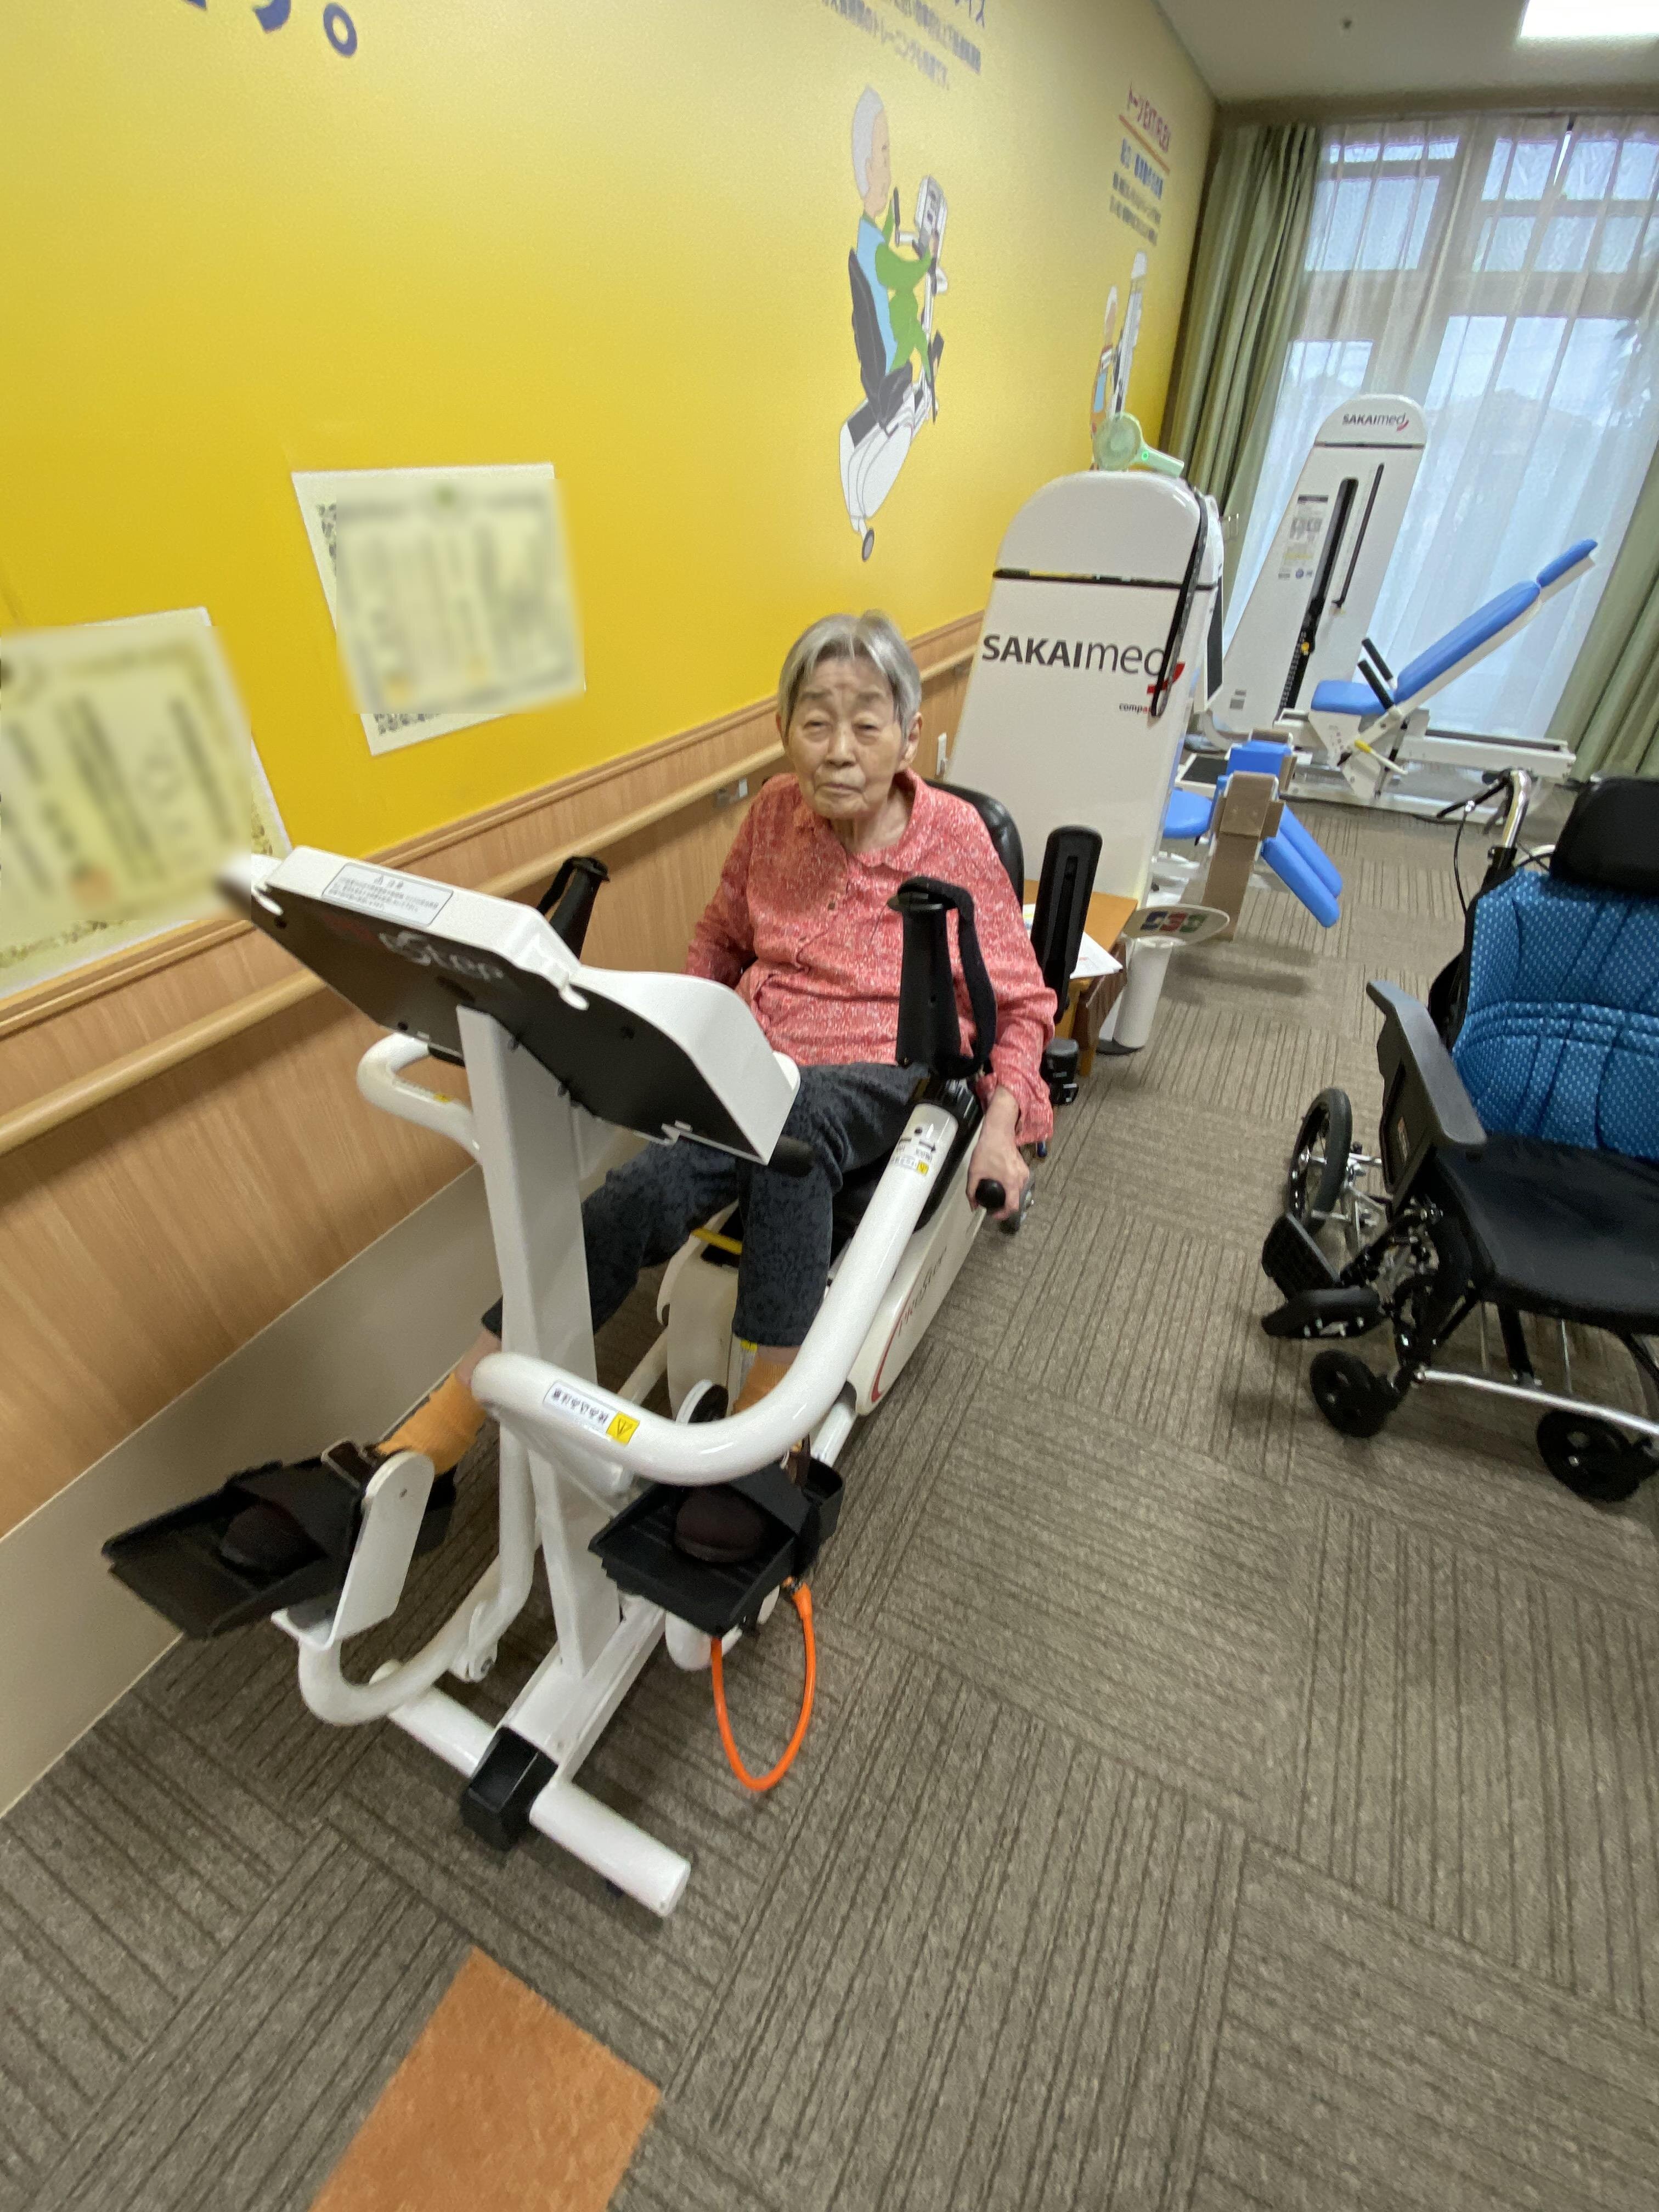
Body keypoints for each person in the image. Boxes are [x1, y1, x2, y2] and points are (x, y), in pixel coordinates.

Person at [227, 612, 1054, 1572]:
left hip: (879, 1071)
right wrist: (680, 1048)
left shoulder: (952, 838)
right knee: (631, 1198)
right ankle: (429, 1441)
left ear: (909, 736)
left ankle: (764, 1433)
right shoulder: (772, 816)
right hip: (755, 1068)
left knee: (794, 1132)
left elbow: (1023, 1002)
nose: (839, 749)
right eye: (815, 721)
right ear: (783, 729)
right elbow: (719, 940)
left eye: (866, 725)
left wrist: (1003, 1127)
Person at [851, 88, 943, 399]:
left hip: (875, 347)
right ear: (869, 170)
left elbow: (881, 245)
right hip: (888, 358)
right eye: (884, 156)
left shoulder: (866, 234)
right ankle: (929, 381)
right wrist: (926, 260)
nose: (888, 170)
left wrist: (892, 217)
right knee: (914, 327)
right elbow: (903, 277)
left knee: (905, 302)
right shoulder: (875, 253)